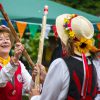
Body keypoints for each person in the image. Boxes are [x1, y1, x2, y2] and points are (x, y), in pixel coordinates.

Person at [30, 14, 100, 100]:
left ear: (65, 42)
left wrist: (35, 97)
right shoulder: (92, 65)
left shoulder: (60, 64)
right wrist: (47, 78)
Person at [0, 25, 34, 100]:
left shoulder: (20, 64)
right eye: (0, 39)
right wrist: (14, 60)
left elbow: (30, 87)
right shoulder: (15, 61)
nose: (5, 41)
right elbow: (1, 81)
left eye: (7, 39)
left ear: (11, 43)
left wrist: (35, 77)